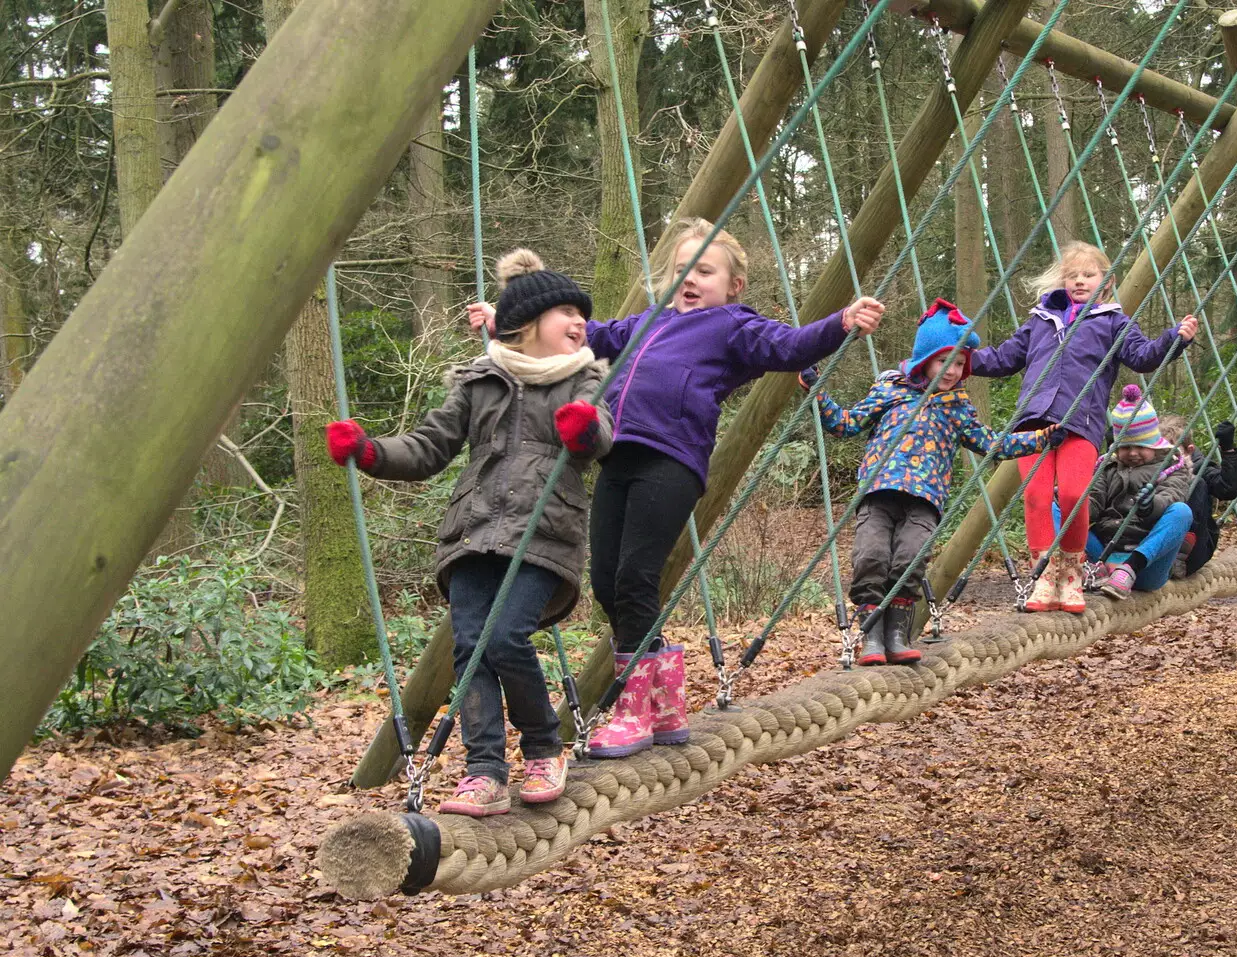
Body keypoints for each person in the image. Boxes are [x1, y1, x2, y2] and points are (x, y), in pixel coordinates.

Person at [469, 218, 884, 756]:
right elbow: (583, 334)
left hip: (671, 461)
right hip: (615, 455)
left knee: (636, 578)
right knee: (603, 581)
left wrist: (842, 322)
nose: (689, 278)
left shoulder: (734, 326)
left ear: (732, 285)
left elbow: (792, 346)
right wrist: (507, 317)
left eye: (704, 271)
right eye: (682, 269)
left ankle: (634, 711)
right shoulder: (646, 324)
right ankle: (665, 708)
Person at [328, 250, 611, 815]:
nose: (580, 322)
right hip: (473, 531)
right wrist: (370, 450)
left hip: (542, 532)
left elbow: (600, 433)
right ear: (526, 326)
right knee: (470, 648)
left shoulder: (585, 379)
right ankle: (483, 771)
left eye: (582, 314)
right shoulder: (481, 381)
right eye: (565, 313)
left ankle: (542, 747)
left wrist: (582, 433)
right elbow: (429, 445)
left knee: (505, 636)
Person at [804, 300, 1062, 665]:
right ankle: (871, 636)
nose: (954, 370)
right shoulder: (890, 392)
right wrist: (817, 392)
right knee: (871, 555)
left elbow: (992, 444)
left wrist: (1039, 439)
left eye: (960, 363)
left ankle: (897, 632)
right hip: (879, 492)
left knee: (910, 559)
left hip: (925, 498)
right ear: (926, 360)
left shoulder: (957, 408)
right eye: (946, 361)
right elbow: (844, 424)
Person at [967, 241, 1197, 614]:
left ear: (1106, 281)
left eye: (1088, 275)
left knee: (1074, 496)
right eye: (1071, 275)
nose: (1079, 281)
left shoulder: (1113, 322)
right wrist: (961, 361)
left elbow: (1143, 355)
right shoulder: (1040, 321)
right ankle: (1044, 577)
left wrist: (1176, 338)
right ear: (1061, 280)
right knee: (1037, 498)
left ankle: (1071, 575)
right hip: (1033, 423)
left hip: (1081, 422)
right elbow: (1004, 358)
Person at [1085, 385, 1193, 599]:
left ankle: (1129, 569)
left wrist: (1150, 506)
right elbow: (1093, 506)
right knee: (1056, 508)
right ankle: (1085, 568)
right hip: (1104, 554)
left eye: (1140, 446)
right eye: (1125, 447)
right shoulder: (1108, 468)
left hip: (1147, 564)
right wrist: (1073, 502)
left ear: (1154, 444)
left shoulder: (1173, 469)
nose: (1133, 453)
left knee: (1181, 511)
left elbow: (1171, 496)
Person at [1158, 415, 1237, 579]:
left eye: (1172, 452)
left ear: (1189, 450)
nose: (1166, 458)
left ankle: (1179, 555)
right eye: (1161, 452)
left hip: (1195, 549)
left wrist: (1228, 449)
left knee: (1197, 484)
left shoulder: (1199, 467)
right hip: (1157, 545)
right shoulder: (1150, 467)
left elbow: (1228, 489)